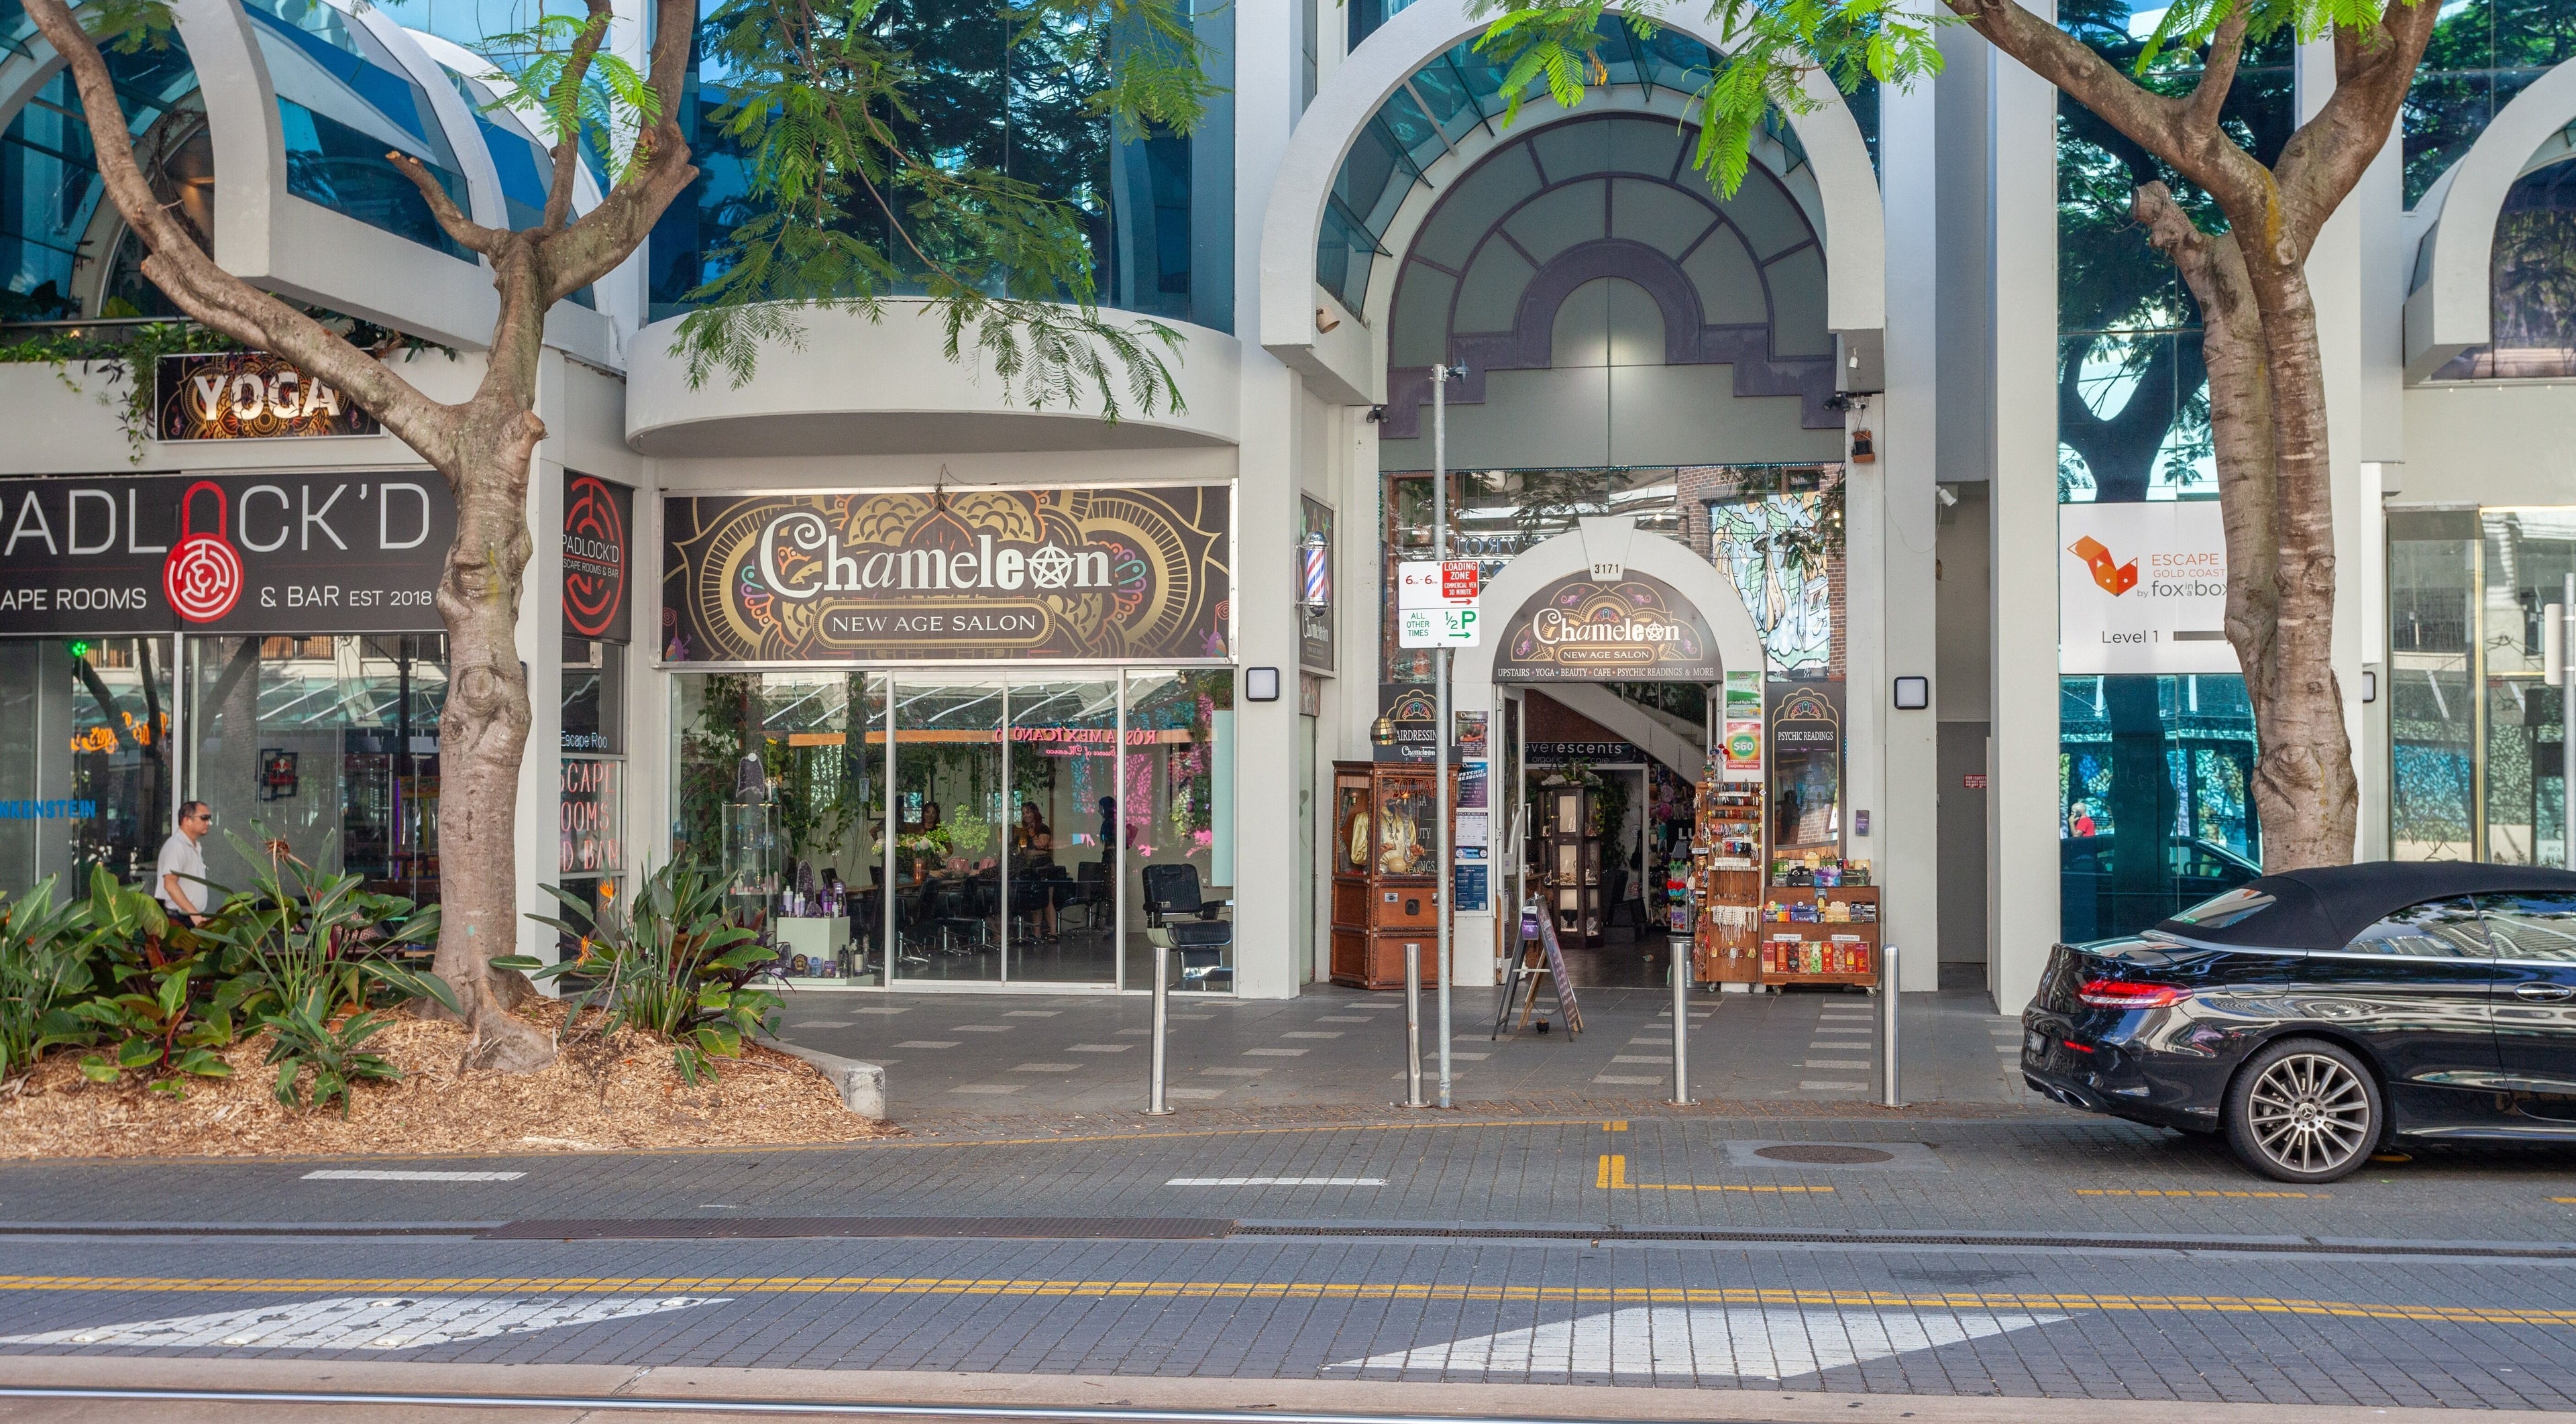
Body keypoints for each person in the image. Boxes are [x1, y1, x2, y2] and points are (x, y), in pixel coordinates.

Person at [156, 801, 214, 927]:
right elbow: (170, 884)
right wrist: (194, 914)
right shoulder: (176, 846)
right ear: (187, 820)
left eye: (209, 818)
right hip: (179, 919)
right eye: (204, 818)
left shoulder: (192, 845)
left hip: (189, 917)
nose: (208, 822)